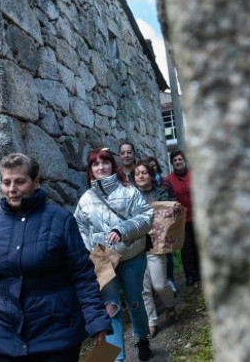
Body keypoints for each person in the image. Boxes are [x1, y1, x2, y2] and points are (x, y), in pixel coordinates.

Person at [0, 153, 110, 362]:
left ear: (36, 182)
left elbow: (82, 276)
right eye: (6, 182)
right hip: (3, 335)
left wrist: (96, 319)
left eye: (20, 181)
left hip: (56, 335)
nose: (12, 189)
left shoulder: (60, 220)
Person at [74, 148, 155, 361]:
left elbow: (147, 216)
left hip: (131, 257)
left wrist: (123, 229)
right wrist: (90, 250)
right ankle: (116, 357)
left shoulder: (129, 191)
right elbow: (80, 228)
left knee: (134, 301)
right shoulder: (85, 199)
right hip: (104, 263)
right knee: (111, 307)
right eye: (95, 164)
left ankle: (142, 338)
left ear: (112, 165)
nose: (101, 167)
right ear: (90, 170)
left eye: (105, 163)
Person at [133, 160, 177, 338]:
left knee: (159, 284)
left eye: (144, 172)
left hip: (157, 245)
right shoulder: (130, 196)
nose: (141, 176)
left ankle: (170, 303)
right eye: (137, 174)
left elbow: (168, 217)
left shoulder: (162, 194)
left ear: (151, 175)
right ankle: (152, 321)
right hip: (136, 246)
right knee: (143, 288)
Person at [165, 150, 201, 286]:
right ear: (172, 163)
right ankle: (190, 275)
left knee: (197, 245)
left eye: (180, 159)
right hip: (181, 219)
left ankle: (199, 272)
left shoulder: (193, 175)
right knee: (186, 248)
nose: (178, 162)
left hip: (197, 216)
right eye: (175, 160)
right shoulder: (169, 179)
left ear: (184, 160)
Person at [145, 156, 178, 291]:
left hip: (162, 228)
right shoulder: (137, 191)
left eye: (153, 166)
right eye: (149, 167)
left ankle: (169, 281)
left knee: (166, 255)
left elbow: (171, 198)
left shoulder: (163, 186)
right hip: (147, 232)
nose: (152, 168)